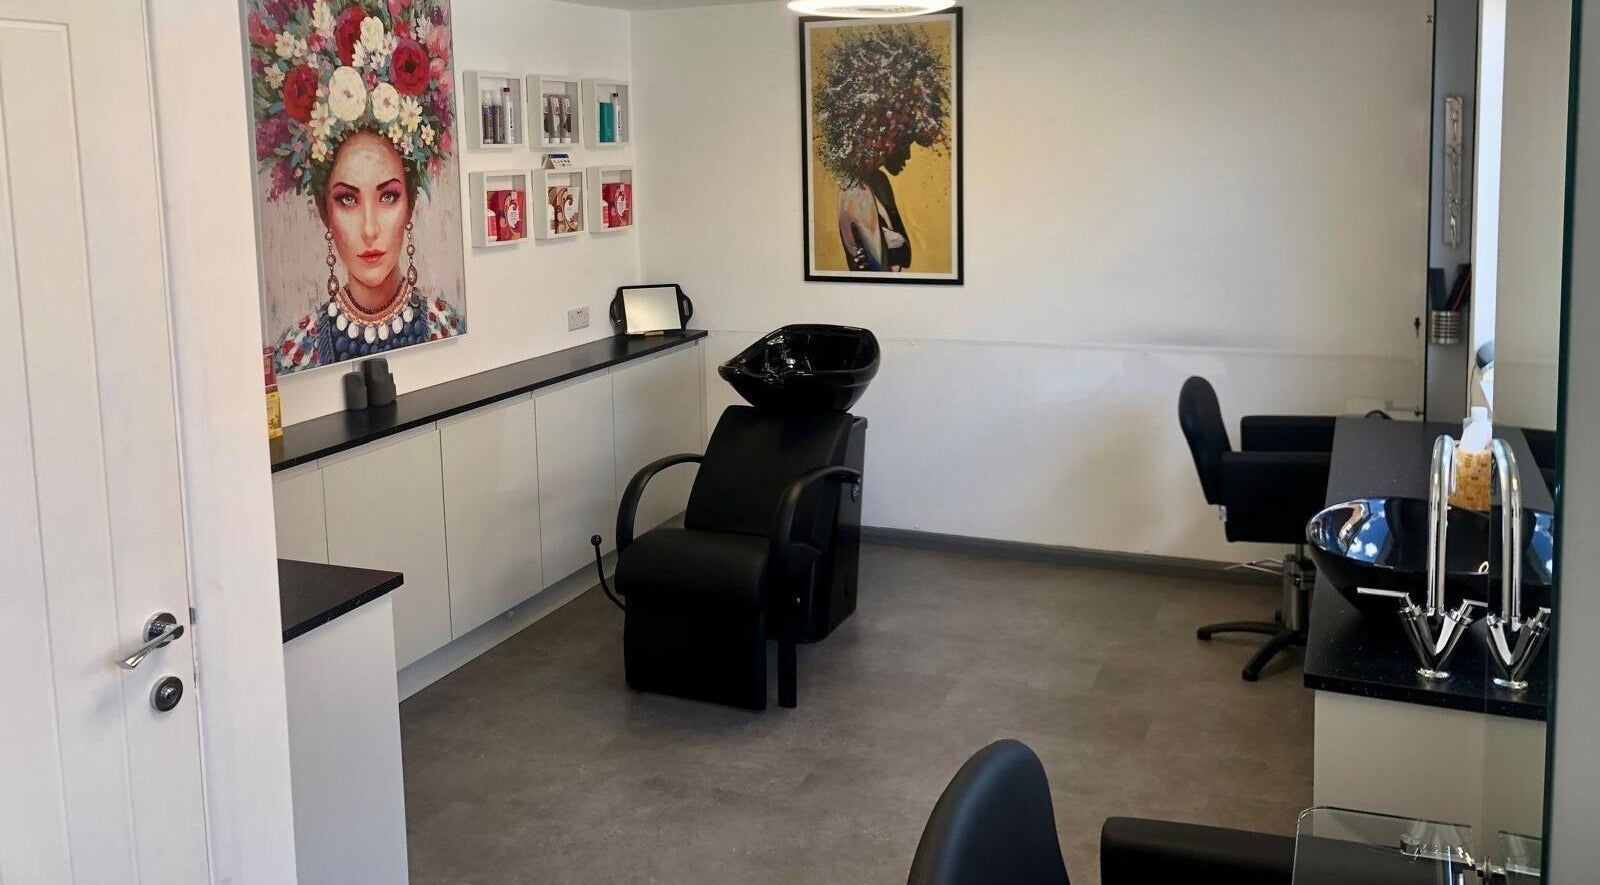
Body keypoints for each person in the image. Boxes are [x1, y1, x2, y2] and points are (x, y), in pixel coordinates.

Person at [250, 0, 464, 374]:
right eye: (347, 199)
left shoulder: (445, 326)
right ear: (325, 212)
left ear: (410, 205)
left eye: (388, 196)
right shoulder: (295, 354)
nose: (369, 228)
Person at [812, 24, 950, 274]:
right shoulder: (855, 191)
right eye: (904, 144)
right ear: (883, 136)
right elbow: (882, 269)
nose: (907, 155)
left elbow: (902, 256)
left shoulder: (878, 182)